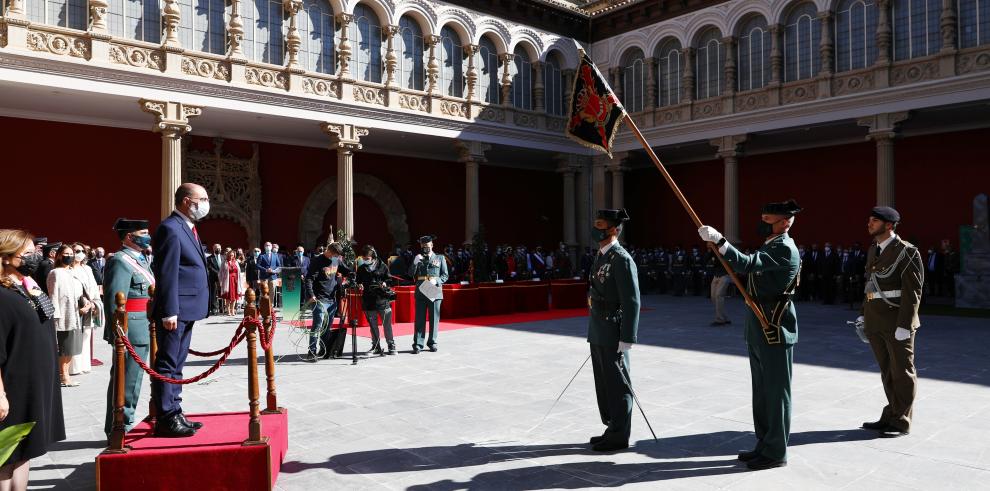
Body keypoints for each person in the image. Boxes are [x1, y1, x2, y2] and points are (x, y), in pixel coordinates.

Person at [698, 199, 802, 470]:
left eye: (767, 219)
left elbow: (746, 264)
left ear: (784, 222)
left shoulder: (784, 248)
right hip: (760, 326)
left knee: (776, 393)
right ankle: (764, 443)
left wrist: (721, 241)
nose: (761, 222)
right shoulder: (772, 244)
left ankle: (776, 451)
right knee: (762, 393)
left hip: (774, 327)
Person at [0, 230, 66, 490]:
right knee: (5, 453)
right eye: (27, 254)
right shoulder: (2, 295)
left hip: (32, 384)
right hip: (12, 385)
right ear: (5, 257)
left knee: (24, 449)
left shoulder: (27, 287)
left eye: (34, 252)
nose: (34, 258)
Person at [857, 206, 924, 438]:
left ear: (889, 225)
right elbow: (870, 284)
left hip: (897, 321)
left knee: (902, 372)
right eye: (869, 219)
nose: (869, 224)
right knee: (887, 371)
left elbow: (912, 291)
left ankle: (902, 420)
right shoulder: (873, 249)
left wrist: (905, 325)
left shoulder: (907, 252)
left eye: (874, 221)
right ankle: (892, 413)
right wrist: (863, 313)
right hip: (876, 321)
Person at [150, 183, 211, 438]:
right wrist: (169, 311)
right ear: (187, 201)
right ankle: (166, 416)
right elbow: (167, 273)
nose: (207, 203)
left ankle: (175, 409)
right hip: (177, 309)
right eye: (203, 199)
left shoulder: (188, 228)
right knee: (168, 362)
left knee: (178, 362)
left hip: (189, 307)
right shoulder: (171, 229)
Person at [587, 209, 640, 452]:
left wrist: (627, 338)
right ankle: (611, 427)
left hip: (613, 329)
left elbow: (632, 301)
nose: (595, 228)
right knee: (604, 383)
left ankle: (619, 435)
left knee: (618, 384)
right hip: (598, 326)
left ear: (614, 229)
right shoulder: (601, 255)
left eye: (600, 224)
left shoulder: (622, 259)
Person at [102, 219, 155, 437]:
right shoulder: (121, 261)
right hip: (131, 327)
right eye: (143, 232)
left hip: (144, 324)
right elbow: (115, 301)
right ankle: (119, 428)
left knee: (134, 379)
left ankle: (124, 423)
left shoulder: (141, 259)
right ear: (129, 236)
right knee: (127, 381)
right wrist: (117, 331)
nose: (148, 235)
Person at [303, 242, 353, 361]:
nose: (336, 257)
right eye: (335, 255)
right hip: (319, 299)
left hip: (332, 299)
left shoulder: (336, 260)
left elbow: (345, 270)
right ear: (330, 251)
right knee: (317, 326)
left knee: (326, 327)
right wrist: (311, 295)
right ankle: (311, 352)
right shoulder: (317, 261)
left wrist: (352, 274)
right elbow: (309, 279)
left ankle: (323, 350)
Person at [48, 244, 87, 387]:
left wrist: (85, 304)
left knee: (71, 348)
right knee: (64, 348)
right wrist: (55, 317)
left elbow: (78, 292)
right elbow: (53, 296)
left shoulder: (71, 272)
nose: (69, 256)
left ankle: (65, 375)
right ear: (58, 255)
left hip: (75, 314)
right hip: (63, 316)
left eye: (71, 253)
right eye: (66, 253)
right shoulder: (55, 273)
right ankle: (63, 376)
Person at [408, 235, 448, 354]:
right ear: (421, 246)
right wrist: (415, 263)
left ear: (432, 245)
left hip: (434, 289)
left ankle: (432, 342)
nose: (426, 248)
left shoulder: (440, 258)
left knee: (434, 318)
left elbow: (445, 275)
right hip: (421, 289)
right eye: (423, 246)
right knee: (419, 318)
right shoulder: (418, 258)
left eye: (428, 245)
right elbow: (410, 274)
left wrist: (437, 281)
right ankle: (418, 344)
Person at [69, 243, 102, 377]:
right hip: (77, 306)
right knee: (75, 335)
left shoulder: (87, 268)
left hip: (90, 305)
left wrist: (95, 301)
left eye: (83, 251)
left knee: (87, 334)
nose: (80, 253)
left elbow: (93, 286)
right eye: (77, 251)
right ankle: (74, 367)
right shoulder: (68, 269)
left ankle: (84, 364)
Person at [357, 245, 395, 355]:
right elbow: (358, 281)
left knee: (387, 324)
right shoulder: (361, 268)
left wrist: (385, 283)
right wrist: (359, 285)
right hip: (368, 300)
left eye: (367, 259)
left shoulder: (382, 266)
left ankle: (391, 345)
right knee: (372, 325)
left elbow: (389, 279)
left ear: (373, 257)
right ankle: (376, 345)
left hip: (382, 299)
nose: (365, 260)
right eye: (363, 258)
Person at [709, 251, 731, 326]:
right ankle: (724, 317)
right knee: (713, 297)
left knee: (719, 296)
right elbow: (710, 261)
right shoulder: (713, 252)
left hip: (724, 275)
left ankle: (720, 319)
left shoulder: (727, 252)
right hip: (716, 275)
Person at [219, 250, 244, 316]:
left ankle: (232, 310)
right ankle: (228, 311)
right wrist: (221, 281)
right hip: (227, 281)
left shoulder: (236, 262)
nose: (231, 256)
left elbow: (239, 271)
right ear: (227, 255)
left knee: (234, 297)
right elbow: (220, 272)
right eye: (230, 255)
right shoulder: (224, 262)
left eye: (232, 255)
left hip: (235, 281)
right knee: (228, 297)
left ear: (234, 256)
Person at [206, 244, 223, 316]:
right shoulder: (209, 258)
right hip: (213, 278)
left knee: (222, 293)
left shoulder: (223, 257)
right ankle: (213, 308)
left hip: (222, 278)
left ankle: (222, 308)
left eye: (219, 248)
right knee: (213, 293)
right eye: (216, 248)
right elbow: (209, 267)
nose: (218, 249)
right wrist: (218, 273)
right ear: (213, 249)